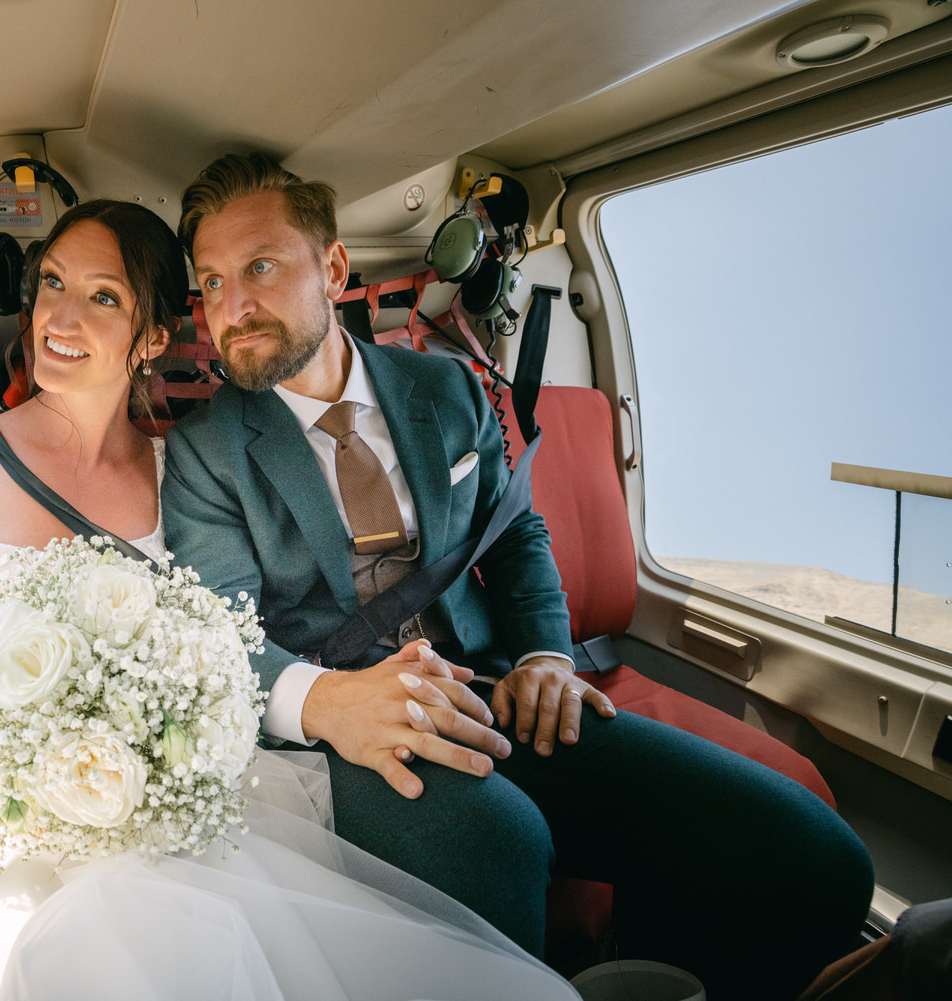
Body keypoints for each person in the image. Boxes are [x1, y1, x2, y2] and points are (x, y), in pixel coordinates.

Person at [0, 199, 580, 1000]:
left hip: (159, 798)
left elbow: (225, 641)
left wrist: (153, 767)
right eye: (51, 283)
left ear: (151, 337)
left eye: (101, 297)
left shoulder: (187, 477)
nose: (58, 318)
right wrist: (9, 770)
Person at [161, 153, 875, 1001]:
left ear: (335, 268)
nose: (230, 308)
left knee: (816, 861)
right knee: (503, 843)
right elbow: (218, 632)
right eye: (210, 283)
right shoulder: (205, 450)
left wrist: (546, 655)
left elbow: (517, 534)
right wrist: (326, 703)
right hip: (357, 740)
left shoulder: (447, 386)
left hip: (500, 691)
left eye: (261, 268)